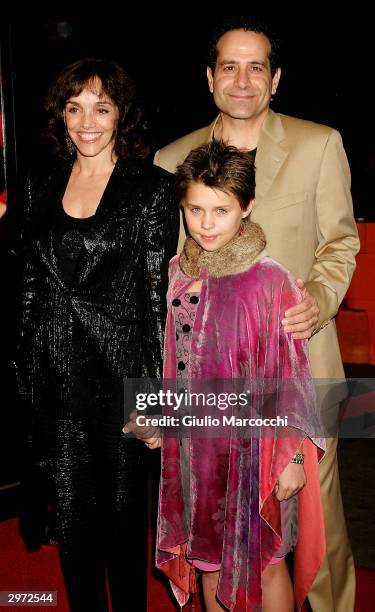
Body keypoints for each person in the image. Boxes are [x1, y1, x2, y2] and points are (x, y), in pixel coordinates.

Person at [153, 17, 359, 611]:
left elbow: (340, 242)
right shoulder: (172, 158)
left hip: (299, 363)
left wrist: (316, 302)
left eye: (257, 67)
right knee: (213, 518)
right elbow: (172, 280)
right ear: (210, 77)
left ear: (275, 80)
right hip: (211, 383)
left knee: (313, 514)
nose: (242, 80)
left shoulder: (320, 143)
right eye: (228, 66)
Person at [16, 57, 179, 612]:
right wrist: (25, 381)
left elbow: (159, 300)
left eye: (101, 108)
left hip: (121, 385)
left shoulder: (151, 189)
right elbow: (30, 290)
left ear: (120, 117)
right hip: (57, 385)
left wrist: (159, 402)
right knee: (73, 528)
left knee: (122, 530)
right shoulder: (39, 188)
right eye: (74, 107)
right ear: (61, 117)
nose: (87, 121)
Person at [143, 140, 324, 611]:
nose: (205, 224)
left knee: (266, 560)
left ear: (246, 206)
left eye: (220, 210)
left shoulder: (270, 279)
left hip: (257, 450)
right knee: (208, 559)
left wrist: (294, 458)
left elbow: (293, 375)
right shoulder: (176, 273)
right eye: (194, 209)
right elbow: (168, 357)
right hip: (197, 454)